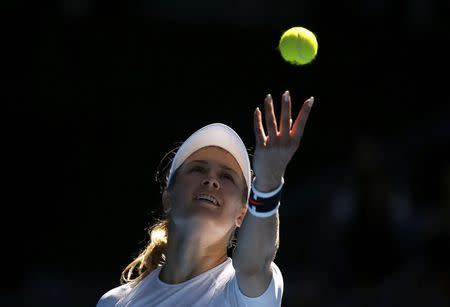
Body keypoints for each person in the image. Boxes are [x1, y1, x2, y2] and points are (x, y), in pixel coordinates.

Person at [96, 90, 315, 307]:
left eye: (226, 176)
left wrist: (268, 182)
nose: (211, 180)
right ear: (167, 199)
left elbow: (253, 266)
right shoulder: (116, 302)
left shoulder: (242, 290)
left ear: (242, 213)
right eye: (198, 169)